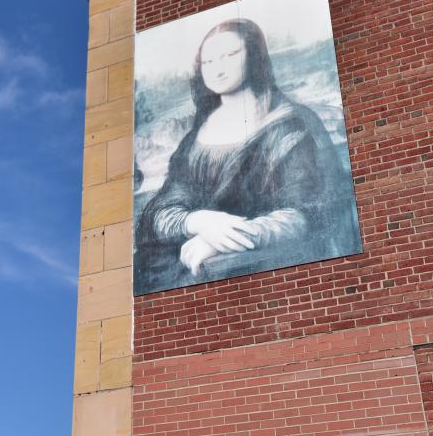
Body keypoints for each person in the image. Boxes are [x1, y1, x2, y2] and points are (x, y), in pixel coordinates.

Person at [134, 18, 359, 294]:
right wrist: (199, 221)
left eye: (230, 55)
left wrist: (226, 238)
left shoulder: (292, 124)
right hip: (195, 265)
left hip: (271, 272)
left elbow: (306, 213)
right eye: (208, 62)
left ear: (253, 56)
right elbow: (161, 209)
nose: (218, 69)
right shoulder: (195, 137)